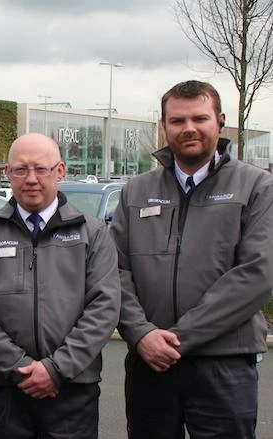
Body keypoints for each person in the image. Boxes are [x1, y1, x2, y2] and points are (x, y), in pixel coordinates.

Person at [112, 80, 273, 438]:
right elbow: (114, 272)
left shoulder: (257, 187)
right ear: (164, 126)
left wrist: (177, 339)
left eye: (199, 118)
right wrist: (142, 334)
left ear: (220, 121)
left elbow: (256, 275)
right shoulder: (136, 192)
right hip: (149, 364)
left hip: (224, 365)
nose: (188, 128)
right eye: (177, 120)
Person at [0, 133, 120, 438]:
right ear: (7, 173)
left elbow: (104, 307)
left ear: (59, 171)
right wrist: (18, 367)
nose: (31, 179)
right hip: (4, 391)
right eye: (21, 170)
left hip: (72, 393)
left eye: (41, 169)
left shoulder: (92, 234)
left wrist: (56, 369)